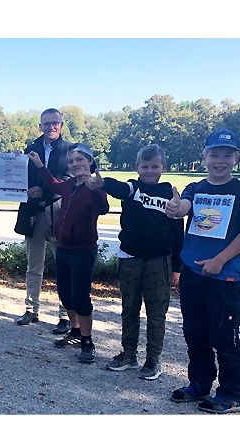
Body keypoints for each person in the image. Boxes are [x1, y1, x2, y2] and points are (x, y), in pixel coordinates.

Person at [86, 144, 183, 380]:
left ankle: (153, 360)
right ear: (137, 167)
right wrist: (103, 183)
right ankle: (129, 354)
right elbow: (119, 188)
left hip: (159, 261)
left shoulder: (171, 193)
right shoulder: (133, 187)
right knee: (129, 308)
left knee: (156, 312)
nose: (150, 171)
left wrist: (177, 268)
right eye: (145, 166)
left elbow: (178, 233)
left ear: (163, 167)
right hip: (130, 258)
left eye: (155, 166)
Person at [165, 129, 240, 414]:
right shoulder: (195, 189)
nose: (220, 160)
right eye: (214, 154)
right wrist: (176, 207)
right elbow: (183, 207)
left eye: (227, 154)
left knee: (225, 335)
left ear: (236, 158)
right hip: (193, 273)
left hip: (226, 276)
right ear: (204, 156)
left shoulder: (238, 190)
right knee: (195, 332)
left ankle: (233, 392)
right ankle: (199, 384)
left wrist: (220, 259)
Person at [28, 143, 109, 363]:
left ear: (90, 162)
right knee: (65, 294)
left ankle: (87, 340)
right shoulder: (69, 184)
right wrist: (39, 165)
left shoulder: (95, 186)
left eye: (80, 160)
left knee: (80, 297)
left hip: (83, 250)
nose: (75, 164)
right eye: (72, 161)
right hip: (64, 248)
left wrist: (93, 187)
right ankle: (74, 330)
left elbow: (103, 208)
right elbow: (53, 184)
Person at [14, 108, 72, 333]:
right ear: (40, 126)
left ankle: (65, 314)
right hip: (34, 213)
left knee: (63, 266)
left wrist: (45, 193)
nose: (51, 127)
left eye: (55, 123)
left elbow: (68, 181)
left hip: (59, 211)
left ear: (61, 125)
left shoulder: (69, 150)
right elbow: (19, 178)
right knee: (33, 265)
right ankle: (31, 309)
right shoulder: (29, 150)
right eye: (46, 123)